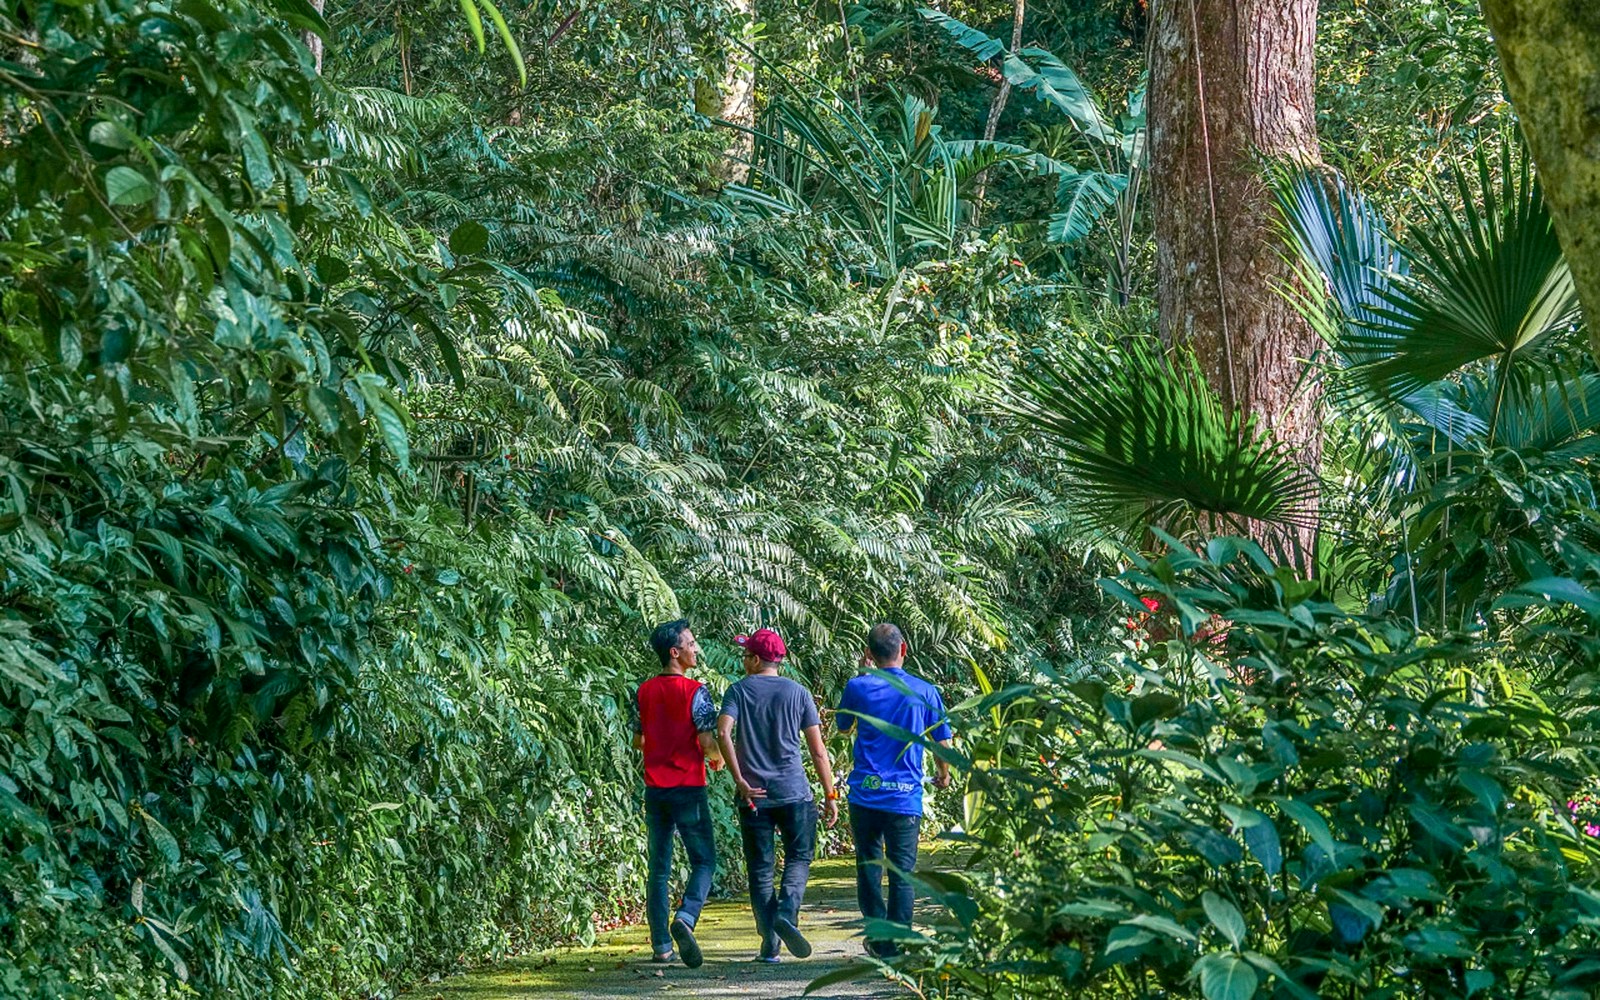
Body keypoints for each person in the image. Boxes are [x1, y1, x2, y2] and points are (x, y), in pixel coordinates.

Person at [716, 628, 839, 963]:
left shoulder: (738, 691)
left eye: (745, 655)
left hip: (754, 796)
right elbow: (818, 752)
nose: (743, 661)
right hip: (794, 793)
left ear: (756, 660)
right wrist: (830, 794)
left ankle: (769, 943)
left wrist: (739, 778)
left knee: (760, 869)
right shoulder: (798, 693)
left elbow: (723, 731)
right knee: (799, 858)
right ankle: (787, 913)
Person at [836, 622, 952, 958]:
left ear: (869, 654)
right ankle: (898, 939)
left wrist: (862, 676)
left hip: (866, 795)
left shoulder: (857, 687)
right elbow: (942, 741)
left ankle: (878, 936)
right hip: (905, 797)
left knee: (868, 866)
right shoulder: (925, 691)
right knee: (903, 871)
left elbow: (843, 730)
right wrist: (942, 775)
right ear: (904, 650)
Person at [633, 619, 721, 968]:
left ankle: (661, 947)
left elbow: (638, 740)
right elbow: (706, 742)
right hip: (688, 788)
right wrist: (717, 759)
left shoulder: (643, 691)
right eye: (691, 643)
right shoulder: (695, 691)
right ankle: (685, 917)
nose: (695, 648)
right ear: (675, 652)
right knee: (704, 860)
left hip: (655, 790)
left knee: (659, 868)